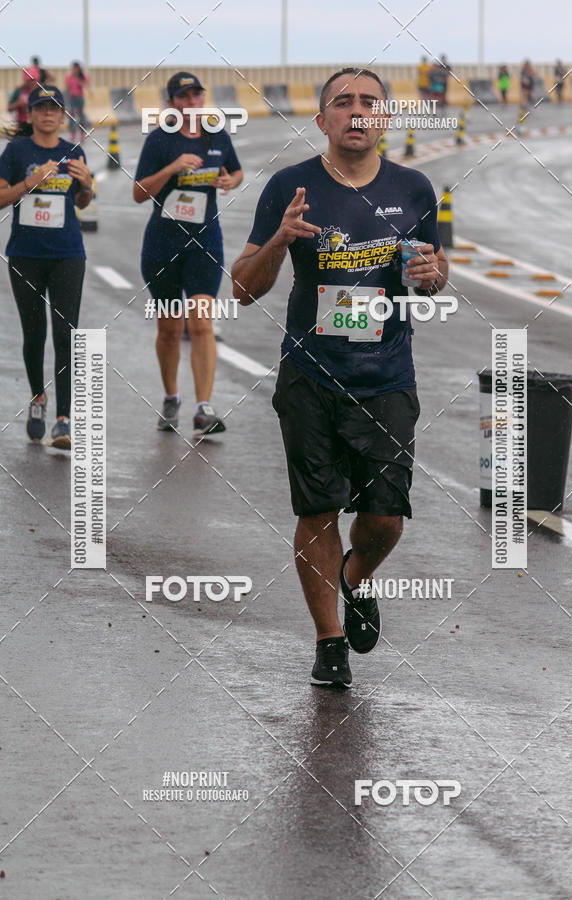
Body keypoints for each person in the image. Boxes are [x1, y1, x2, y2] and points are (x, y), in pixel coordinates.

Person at [232, 67, 448, 688]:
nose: (356, 111)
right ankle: (329, 641)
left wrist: (433, 274)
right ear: (322, 118)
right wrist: (279, 239)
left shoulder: (413, 188)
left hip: (387, 375)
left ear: (384, 118)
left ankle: (354, 579)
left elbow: (432, 274)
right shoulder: (290, 186)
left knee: (385, 519)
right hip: (311, 375)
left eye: (369, 103)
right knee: (318, 508)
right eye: (342, 102)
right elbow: (244, 290)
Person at [133, 71, 243, 437]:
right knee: (170, 329)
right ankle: (171, 397)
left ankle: (203, 408)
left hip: (205, 244)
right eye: (184, 97)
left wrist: (229, 180)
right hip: (162, 246)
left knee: (200, 323)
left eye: (197, 95)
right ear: (171, 104)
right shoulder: (159, 141)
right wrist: (172, 168)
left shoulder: (217, 135)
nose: (192, 102)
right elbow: (138, 193)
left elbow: (236, 171)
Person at [0, 86, 94, 449]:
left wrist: (86, 185)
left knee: (65, 333)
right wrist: (29, 182)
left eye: (55, 108)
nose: (48, 114)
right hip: (25, 254)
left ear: (63, 115)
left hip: (68, 252)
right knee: (34, 332)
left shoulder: (74, 152)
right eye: (41, 108)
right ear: (31, 114)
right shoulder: (17, 151)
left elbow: (83, 202)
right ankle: (38, 399)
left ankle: (63, 419)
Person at [65, 62, 90, 142]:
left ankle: (82, 134)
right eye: (74, 68)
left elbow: (86, 83)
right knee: (71, 116)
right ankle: (73, 134)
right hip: (72, 98)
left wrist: (79, 81)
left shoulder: (82, 76)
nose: (75, 70)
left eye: (76, 68)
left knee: (81, 116)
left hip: (80, 97)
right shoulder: (69, 77)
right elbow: (68, 87)